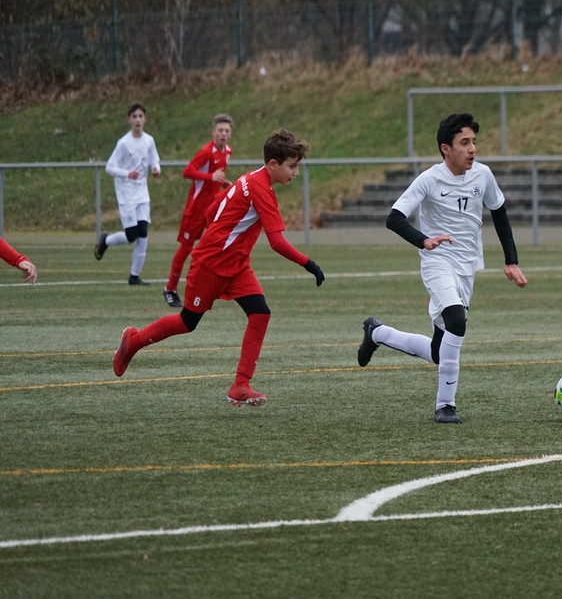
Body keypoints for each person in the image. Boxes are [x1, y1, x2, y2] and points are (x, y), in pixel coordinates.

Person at [112, 129, 326, 407]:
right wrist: (309, 264)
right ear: (273, 164)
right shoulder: (261, 189)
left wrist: (226, 238)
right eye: (292, 166)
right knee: (187, 322)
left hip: (236, 266)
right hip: (210, 265)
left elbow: (212, 211)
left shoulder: (250, 177)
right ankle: (133, 341)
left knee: (260, 313)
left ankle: (240, 385)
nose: (295, 172)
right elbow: (276, 242)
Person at [356, 112, 527, 424]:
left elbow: (499, 212)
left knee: (439, 351)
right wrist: (424, 241)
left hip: (467, 268)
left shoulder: (483, 175)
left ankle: (377, 332)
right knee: (456, 320)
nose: (472, 149)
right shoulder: (430, 179)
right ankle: (445, 405)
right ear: (446, 149)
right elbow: (394, 218)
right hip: (437, 263)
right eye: (464, 143)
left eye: (473, 142)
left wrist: (511, 260)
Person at [163, 113, 234, 308]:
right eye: (220, 130)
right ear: (213, 132)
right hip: (195, 210)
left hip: (213, 210)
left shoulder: (227, 151)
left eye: (226, 131)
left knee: (216, 247)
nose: (223, 134)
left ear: (230, 134)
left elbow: (215, 176)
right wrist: (211, 177)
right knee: (186, 249)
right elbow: (187, 171)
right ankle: (170, 289)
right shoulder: (206, 152)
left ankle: (214, 287)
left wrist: (222, 183)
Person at [94, 102, 161, 284]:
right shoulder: (123, 143)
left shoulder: (149, 140)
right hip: (126, 195)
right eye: (134, 117)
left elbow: (154, 159)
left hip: (142, 194)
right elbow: (109, 167)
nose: (138, 120)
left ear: (145, 119)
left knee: (143, 234)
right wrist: (127, 174)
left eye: (140, 116)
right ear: (129, 120)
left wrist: (156, 169)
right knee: (131, 236)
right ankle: (106, 241)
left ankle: (134, 276)